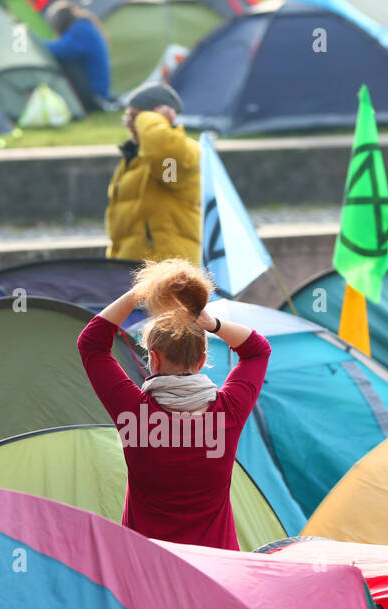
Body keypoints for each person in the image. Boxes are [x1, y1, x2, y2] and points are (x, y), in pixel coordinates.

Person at [77, 258, 270, 550]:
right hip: (220, 570)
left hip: (148, 568)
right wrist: (212, 323)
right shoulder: (226, 413)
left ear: (152, 358)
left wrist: (142, 292)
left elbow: (91, 342)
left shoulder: (135, 412)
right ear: (203, 360)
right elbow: (257, 351)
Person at [106, 83, 200, 262]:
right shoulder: (133, 159)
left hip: (168, 274)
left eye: (136, 118)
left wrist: (151, 119)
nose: (130, 125)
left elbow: (164, 154)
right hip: (132, 271)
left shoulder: (180, 154)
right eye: (128, 118)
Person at [44, 1, 110, 113]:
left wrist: (36, 43)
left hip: (94, 96)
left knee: (66, 64)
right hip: (98, 93)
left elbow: (63, 50)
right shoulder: (83, 27)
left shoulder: (80, 29)